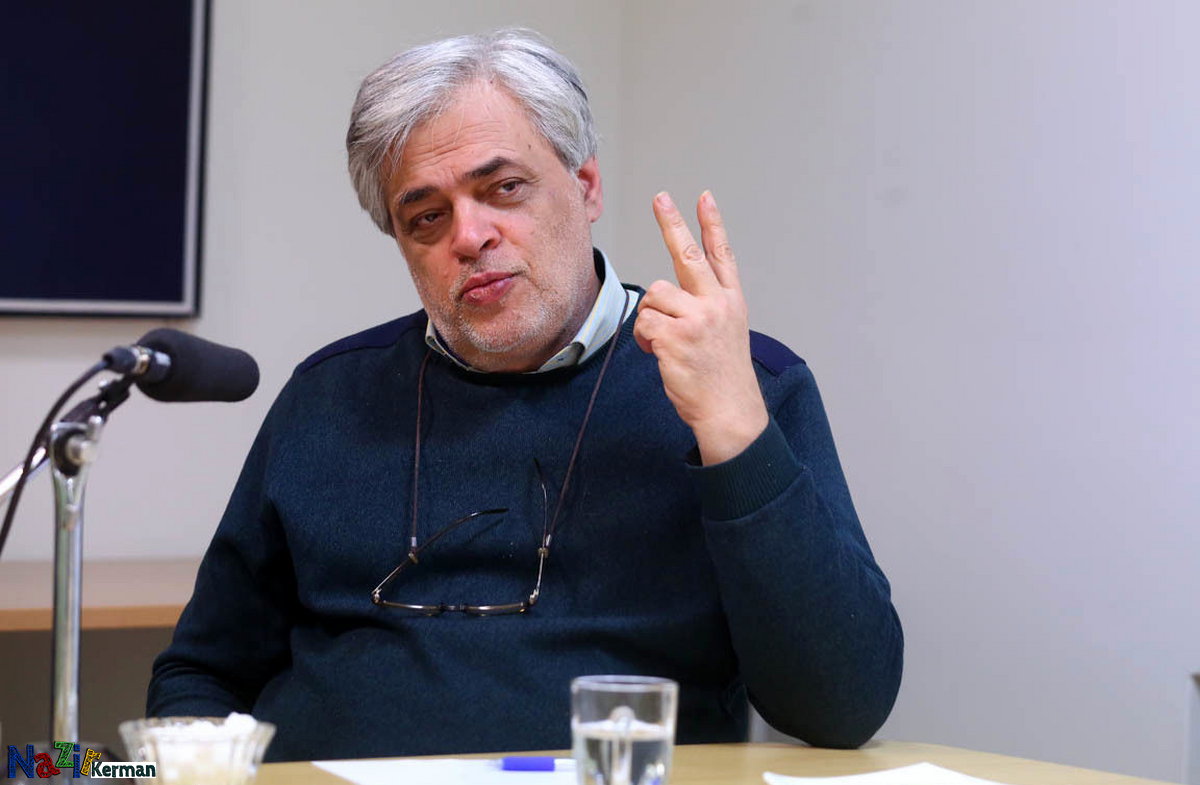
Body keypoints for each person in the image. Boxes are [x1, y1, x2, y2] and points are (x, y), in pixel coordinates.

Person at [147, 28, 902, 762]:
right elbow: (200, 674)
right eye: (426, 216)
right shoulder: (329, 396)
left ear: (586, 185)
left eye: (503, 188)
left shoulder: (741, 383)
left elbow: (841, 707)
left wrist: (734, 430)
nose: (469, 236)